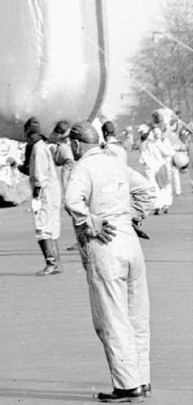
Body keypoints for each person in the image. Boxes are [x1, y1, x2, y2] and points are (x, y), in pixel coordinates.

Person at [63, 120, 156, 402]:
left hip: (105, 245)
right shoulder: (115, 162)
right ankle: (142, 379)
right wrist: (133, 217)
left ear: (76, 144)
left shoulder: (83, 168)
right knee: (137, 316)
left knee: (112, 317)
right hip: (130, 242)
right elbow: (147, 191)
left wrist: (92, 223)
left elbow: (72, 201)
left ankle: (128, 385)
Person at [24, 118, 63, 274]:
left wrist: (36, 198)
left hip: (44, 193)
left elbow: (40, 176)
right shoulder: (43, 146)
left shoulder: (37, 148)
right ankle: (57, 263)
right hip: (51, 191)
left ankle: (51, 263)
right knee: (51, 227)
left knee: (42, 227)